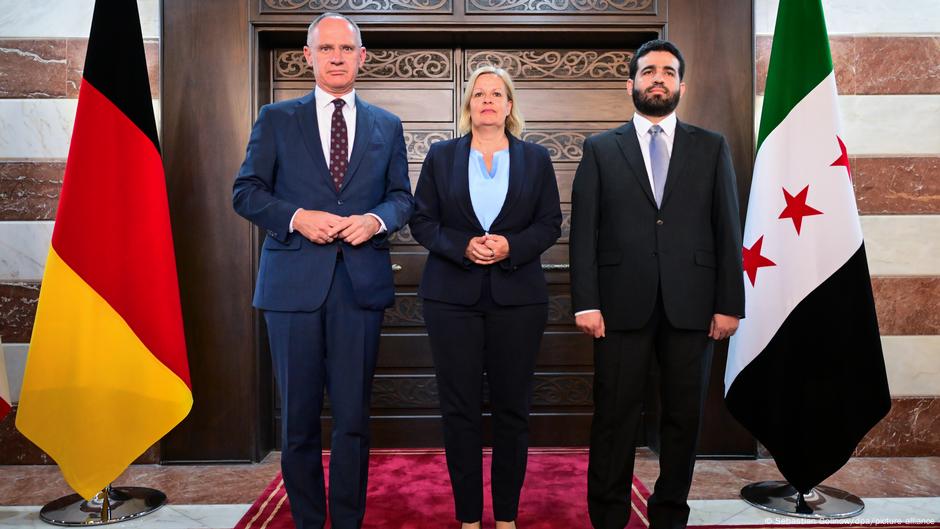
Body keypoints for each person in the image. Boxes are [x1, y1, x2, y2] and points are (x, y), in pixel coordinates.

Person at [232, 13, 413, 529]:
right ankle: (310, 521)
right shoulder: (275, 118)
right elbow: (246, 192)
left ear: (362, 57)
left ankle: (348, 520)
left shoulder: (387, 125)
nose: (337, 57)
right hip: (291, 289)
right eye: (326, 48)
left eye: (346, 48)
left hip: (360, 288)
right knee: (299, 420)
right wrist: (296, 217)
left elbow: (402, 198)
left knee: (353, 417)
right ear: (308, 56)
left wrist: (375, 220)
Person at [569, 40, 745, 529]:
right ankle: (608, 516)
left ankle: (669, 515)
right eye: (649, 71)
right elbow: (584, 231)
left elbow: (727, 227)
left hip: (694, 306)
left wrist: (730, 303)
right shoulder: (600, 149)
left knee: (684, 418)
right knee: (614, 417)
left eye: (668, 71)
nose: (658, 79)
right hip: (618, 307)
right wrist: (585, 302)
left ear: (682, 85)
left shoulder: (711, 146)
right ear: (631, 83)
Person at [410, 66, 562, 529]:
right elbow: (422, 220)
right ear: (469, 105)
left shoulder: (536, 158)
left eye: (497, 93)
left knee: (513, 409)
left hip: (518, 300)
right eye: (480, 94)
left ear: (510, 105)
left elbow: (550, 223)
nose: (488, 100)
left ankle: (508, 516)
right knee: (459, 410)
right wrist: (463, 246)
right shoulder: (441, 156)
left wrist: (512, 245)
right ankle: (469, 518)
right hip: (451, 299)